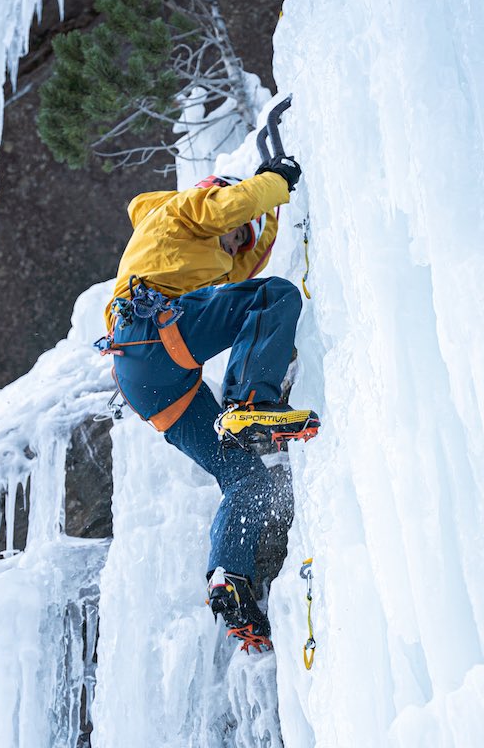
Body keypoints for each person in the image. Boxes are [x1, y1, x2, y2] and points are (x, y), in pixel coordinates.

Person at [99, 153, 319, 653]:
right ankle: (248, 402)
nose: (236, 239)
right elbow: (229, 210)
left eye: (242, 238)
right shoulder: (181, 210)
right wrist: (275, 181)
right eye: (235, 229)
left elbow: (241, 268)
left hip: (150, 383)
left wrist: (261, 230)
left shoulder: (192, 257)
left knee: (246, 479)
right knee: (273, 297)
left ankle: (231, 580)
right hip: (152, 332)